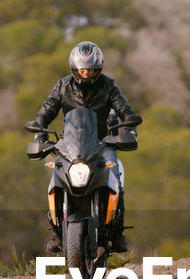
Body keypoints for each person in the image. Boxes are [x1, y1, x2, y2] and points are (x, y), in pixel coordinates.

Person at [30, 41, 141, 253]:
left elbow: (124, 110)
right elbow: (46, 111)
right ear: (74, 67)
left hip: (101, 143)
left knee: (116, 176)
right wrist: (39, 131)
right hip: (70, 144)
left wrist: (129, 129)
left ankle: (117, 233)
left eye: (90, 68)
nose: (86, 72)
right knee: (56, 179)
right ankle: (56, 232)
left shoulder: (108, 85)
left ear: (98, 68)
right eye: (83, 68)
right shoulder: (63, 86)